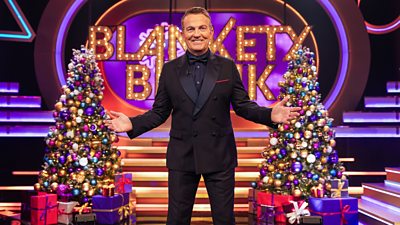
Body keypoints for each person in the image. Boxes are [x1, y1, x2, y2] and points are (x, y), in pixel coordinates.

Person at [105, 7, 300, 225]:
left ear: (210, 31)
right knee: (177, 219)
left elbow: (243, 106)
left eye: (201, 28)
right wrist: (130, 124)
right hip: (182, 154)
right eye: (190, 29)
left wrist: (270, 114)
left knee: (224, 219)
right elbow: (160, 112)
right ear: (183, 33)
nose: (196, 33)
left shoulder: (227, 67)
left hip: (219, 154)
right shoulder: (170, 70)